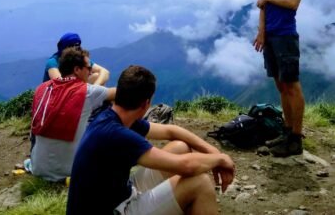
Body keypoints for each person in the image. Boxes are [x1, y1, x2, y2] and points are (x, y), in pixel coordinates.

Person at [66, 65, 235, 215]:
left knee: (179, 147)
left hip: (115, 194)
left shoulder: (114, 117)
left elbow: (170, 130)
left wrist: (211, 150)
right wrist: (220, 159)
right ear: (146, 104)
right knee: (201, 183)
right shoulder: (117, 134)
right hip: (114, 209)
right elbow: (186, 166)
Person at [252, 0, 305, 157]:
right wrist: (261, 32)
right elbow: (263, 6)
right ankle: (286, 131)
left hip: (285, 35)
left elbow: (293, 3)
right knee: (280, 85)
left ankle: (296, 137)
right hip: (271, 34)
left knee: (291, 85)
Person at [31, 47, 116, 181]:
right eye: (88, 68)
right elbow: (121, 93)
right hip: (71, 172)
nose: (90, 72)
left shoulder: (41, 89)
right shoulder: (86, 91)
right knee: (107, 106)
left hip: (38, 169)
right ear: (77, 70)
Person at [43, 32, 109, 85]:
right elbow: (61, 84)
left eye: (77, 46)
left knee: (96, 76)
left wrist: (95, 87)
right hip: (56, 95)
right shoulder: (53, 62)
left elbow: (105, 72)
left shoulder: (79, 59)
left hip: (74, 89)